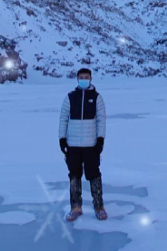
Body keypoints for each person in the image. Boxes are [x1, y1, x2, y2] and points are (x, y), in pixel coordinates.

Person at [58, 67, 107, 221]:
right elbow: (63, 119)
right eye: (81, 77)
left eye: (87, 77)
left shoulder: (97, 97)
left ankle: (99, 206)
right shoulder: (70, 97)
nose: (84, 80)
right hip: (73, 145)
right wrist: (62, 138)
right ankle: (76, 207)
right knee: (74, 175)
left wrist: (100, 139)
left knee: (94, 175)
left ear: (91, 79)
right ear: (77, 79)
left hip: (90, 144)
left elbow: (101, 119)